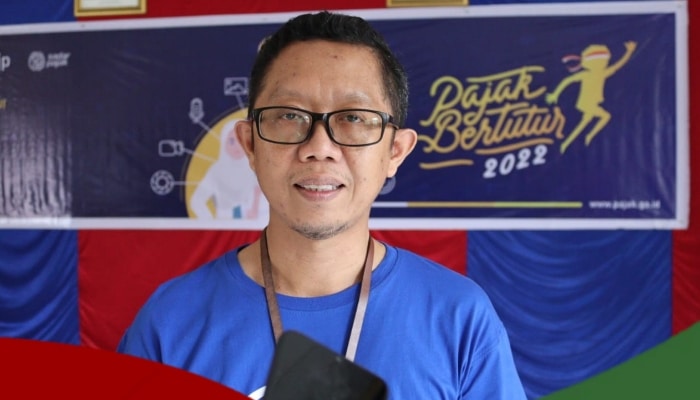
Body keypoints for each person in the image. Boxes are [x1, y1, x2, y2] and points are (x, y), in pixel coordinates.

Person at [118, 11, 526, 399]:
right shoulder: (171, 323)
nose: (319, 147)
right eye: (289, 116)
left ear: (395, 152)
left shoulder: (458, 317)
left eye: (354, 117)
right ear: (250, 144)